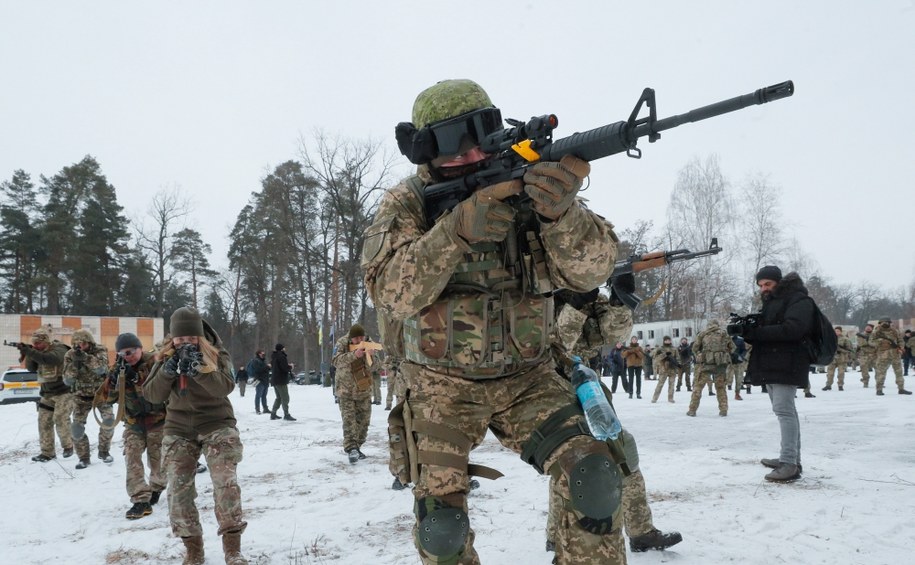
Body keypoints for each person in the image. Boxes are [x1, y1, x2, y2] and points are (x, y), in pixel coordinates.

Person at [362, 79, 627, 564]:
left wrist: (562, 214)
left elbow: (594, 270)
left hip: (528, 378)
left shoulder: (528, 185)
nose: (468, 157)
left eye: (478, 137)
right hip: (440, 387)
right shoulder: (409, 202)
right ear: (425, 151)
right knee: (442, 528)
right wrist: (455, 232)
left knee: (595, 478)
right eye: (450, 146)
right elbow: (391, 292)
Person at [548, 288, 682, 554]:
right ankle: (557, 534)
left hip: (587, 388)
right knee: (565, 460)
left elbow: (615, 336)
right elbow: (554, 345)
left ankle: (640, 530)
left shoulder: (589, 294)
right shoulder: (535, 295)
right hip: (548, 388)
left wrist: (620, 301)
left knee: (621, 451)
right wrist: (574, 307)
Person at [145, 307, 248, 565]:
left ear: (199, 337)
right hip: (179, 427)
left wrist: (200, 370)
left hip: (217, 423)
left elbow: (225, 387)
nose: (184, 343)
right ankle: (193, 550)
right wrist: (168, 371)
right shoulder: (163, 356)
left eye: (190, 339)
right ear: (172, 338)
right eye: (179, 339)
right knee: (178, 491)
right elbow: (151, 395)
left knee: (226, 484)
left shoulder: (216, 354)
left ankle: (232, 549)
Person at [733, 266, 812, 482]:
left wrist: (757, 332)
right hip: (773, 363)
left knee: (784, 412)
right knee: (786, 412)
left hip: (788, 363)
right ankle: (790, 458)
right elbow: (769, 332)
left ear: (779, 282)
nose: (763, 288)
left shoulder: (797, 299)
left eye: (767, 284)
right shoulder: (773, 302)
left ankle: (789, 464)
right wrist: (747, 331)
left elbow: (793, 329)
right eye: (760, 285)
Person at [101, 332, 167, 520]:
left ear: (140, 349)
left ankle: (156, 487)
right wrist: (115, 381)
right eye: (122, 354)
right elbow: (108, 398)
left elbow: (158, 391)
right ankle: (140, 500)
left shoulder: (153, 363)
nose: (128, 357)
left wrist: (136, 380)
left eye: (131, 352)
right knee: (132, 458)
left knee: (158, 462)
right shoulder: (119, 369)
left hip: (158, 422)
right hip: (133, 424)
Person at [17, 328, 74, 462]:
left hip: (64, 392)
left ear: (46, 341)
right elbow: (31, 368)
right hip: (47, 393)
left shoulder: (60, 349)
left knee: (60, 418)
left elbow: (51, 360)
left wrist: (31, 351)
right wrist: (29, 354)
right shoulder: (37, 352)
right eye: (34, 343)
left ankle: (68, 446)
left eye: (38, 343)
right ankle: (47, 453)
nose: (36, 346)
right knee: (43, 422)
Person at [62, 328, 115, 469]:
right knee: (76, 429)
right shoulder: (69, 355)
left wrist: (86, 358)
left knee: (109, 420)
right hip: (81, 397)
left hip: (100, 394)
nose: (80, 347)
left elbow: (102, 369)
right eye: (77, 344)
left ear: (89, 342)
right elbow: (67, 380)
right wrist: (75, 364)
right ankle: (84, 457)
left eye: (83, 344)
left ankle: (104, 451)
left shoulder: (100, 350)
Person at [332, 324, 373, 464]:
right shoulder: (342, 343)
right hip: (346, 390)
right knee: (349, 421)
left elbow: (377, 366)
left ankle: (358, 446)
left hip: (364, 390)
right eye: (356, 338)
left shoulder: (369, 342)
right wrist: (353, 355)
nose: (359, 340)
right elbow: (335, 361)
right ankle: (351, 448)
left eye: (362, 337)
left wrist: (370, 355)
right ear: (351, 337)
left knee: (364, 422)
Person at [687, 320, 735, 417]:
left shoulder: (702, 334)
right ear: (717, 325)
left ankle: (692, 410)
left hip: (705, 364)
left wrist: (700, 354)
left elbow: (694, 348)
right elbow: (733, 348)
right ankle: (723, 410)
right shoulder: (724, 333)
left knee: (698, 387)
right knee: (721, 387)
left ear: (708, 326)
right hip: (720, 364)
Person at [870, 316, 912, 396]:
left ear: (890, 323)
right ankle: (879, 390)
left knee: (899, 372)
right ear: (880, 323)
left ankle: (901, 389)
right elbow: (871, 342)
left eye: (887, 322)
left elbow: (900, 340)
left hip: (895, 354)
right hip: (883, 355)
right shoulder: (876, 332)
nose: (885, 323)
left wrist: (901, 348)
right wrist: (881, 341)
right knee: (881, 373)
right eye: (883, 322)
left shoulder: (895, 331)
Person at [269, 344, 296, 420]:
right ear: (281, 349)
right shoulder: (281, 356)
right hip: (281, 380)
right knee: (285, 398)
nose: (285, 348)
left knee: (279, 398)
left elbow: (277, 366)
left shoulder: (274, 356)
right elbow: (284, 368)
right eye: (284, 347)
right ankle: (286, 414)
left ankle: (273, 413)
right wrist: (291, 366)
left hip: (275, 380)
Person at [822, 327, 854, 391]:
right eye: (835, 331)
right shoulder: (830, 339)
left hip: (842, 359)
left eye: (838, 331)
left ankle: (840, 385)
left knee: (841, 373)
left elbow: (849, 350)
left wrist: (840, 350)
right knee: (830, 373)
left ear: (841, 332)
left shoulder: (845, 339)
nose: (836, 332)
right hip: (832, 359)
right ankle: (828, 385)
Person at [650, 337, 678, 403]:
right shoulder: (660, 349)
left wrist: (678, 365)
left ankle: (670, 398)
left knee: (672, 385)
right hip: (663, 369)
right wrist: (665, 354)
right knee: (660, 384)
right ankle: (654, 398)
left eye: (669, 340)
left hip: (672, 369)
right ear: (664, 341)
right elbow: (656, 359)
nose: (668, 341)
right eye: (666, 340)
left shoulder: (674, 349)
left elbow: (678, 358)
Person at [247, 350, 270, 414]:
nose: (264, 353)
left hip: (265, 380)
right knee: (258, 395)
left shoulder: (263, 361)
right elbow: (258, 370)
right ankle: (257, 409)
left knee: (264, 396)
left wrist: (268, 367)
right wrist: (267, 367)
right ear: (259, 354)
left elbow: (264, 369)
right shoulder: (255, 361)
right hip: (259, 381)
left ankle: (265, 408)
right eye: (262, 353)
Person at [727, 334, 747, 401]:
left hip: (738, 362)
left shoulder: (740, 340)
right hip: (729, 363)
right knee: (726, 378)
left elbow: (744, 350)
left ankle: (737, 393)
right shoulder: (726, 340)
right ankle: (722, 394)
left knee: (739, 379)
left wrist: (741, 357)